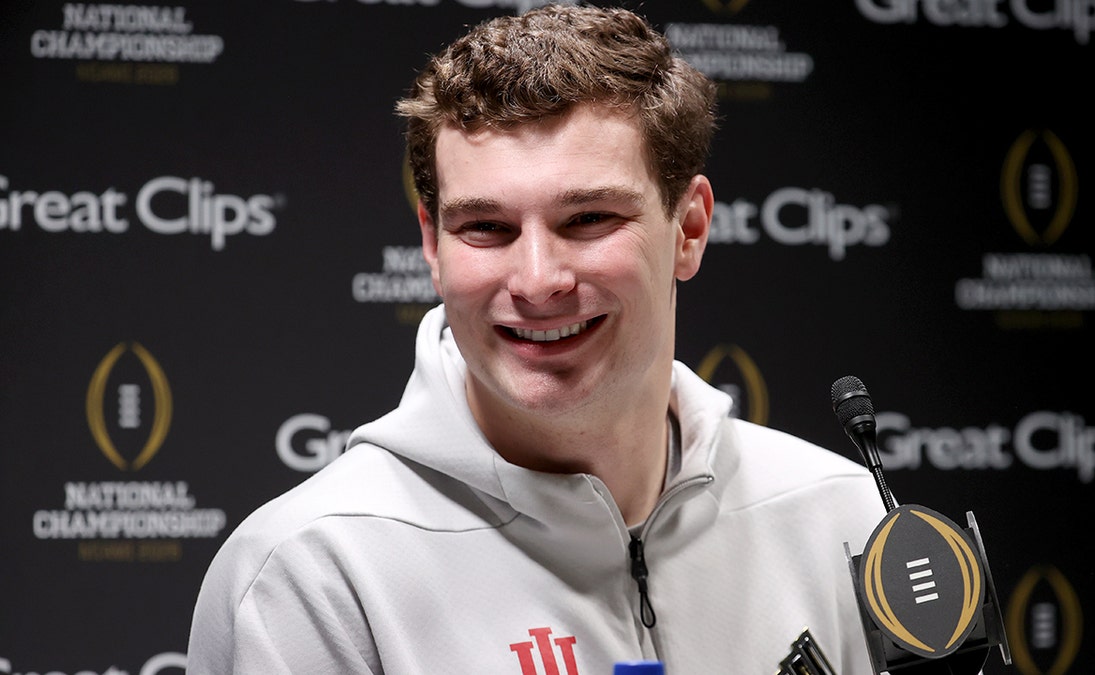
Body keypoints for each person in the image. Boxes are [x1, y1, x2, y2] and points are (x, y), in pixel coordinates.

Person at [186, 4, 885, 673]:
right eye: (486, 228)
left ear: (690, 228)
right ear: (432, 242)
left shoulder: (845, 518)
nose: (537, 279)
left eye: (587, 218)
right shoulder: (312, 571)